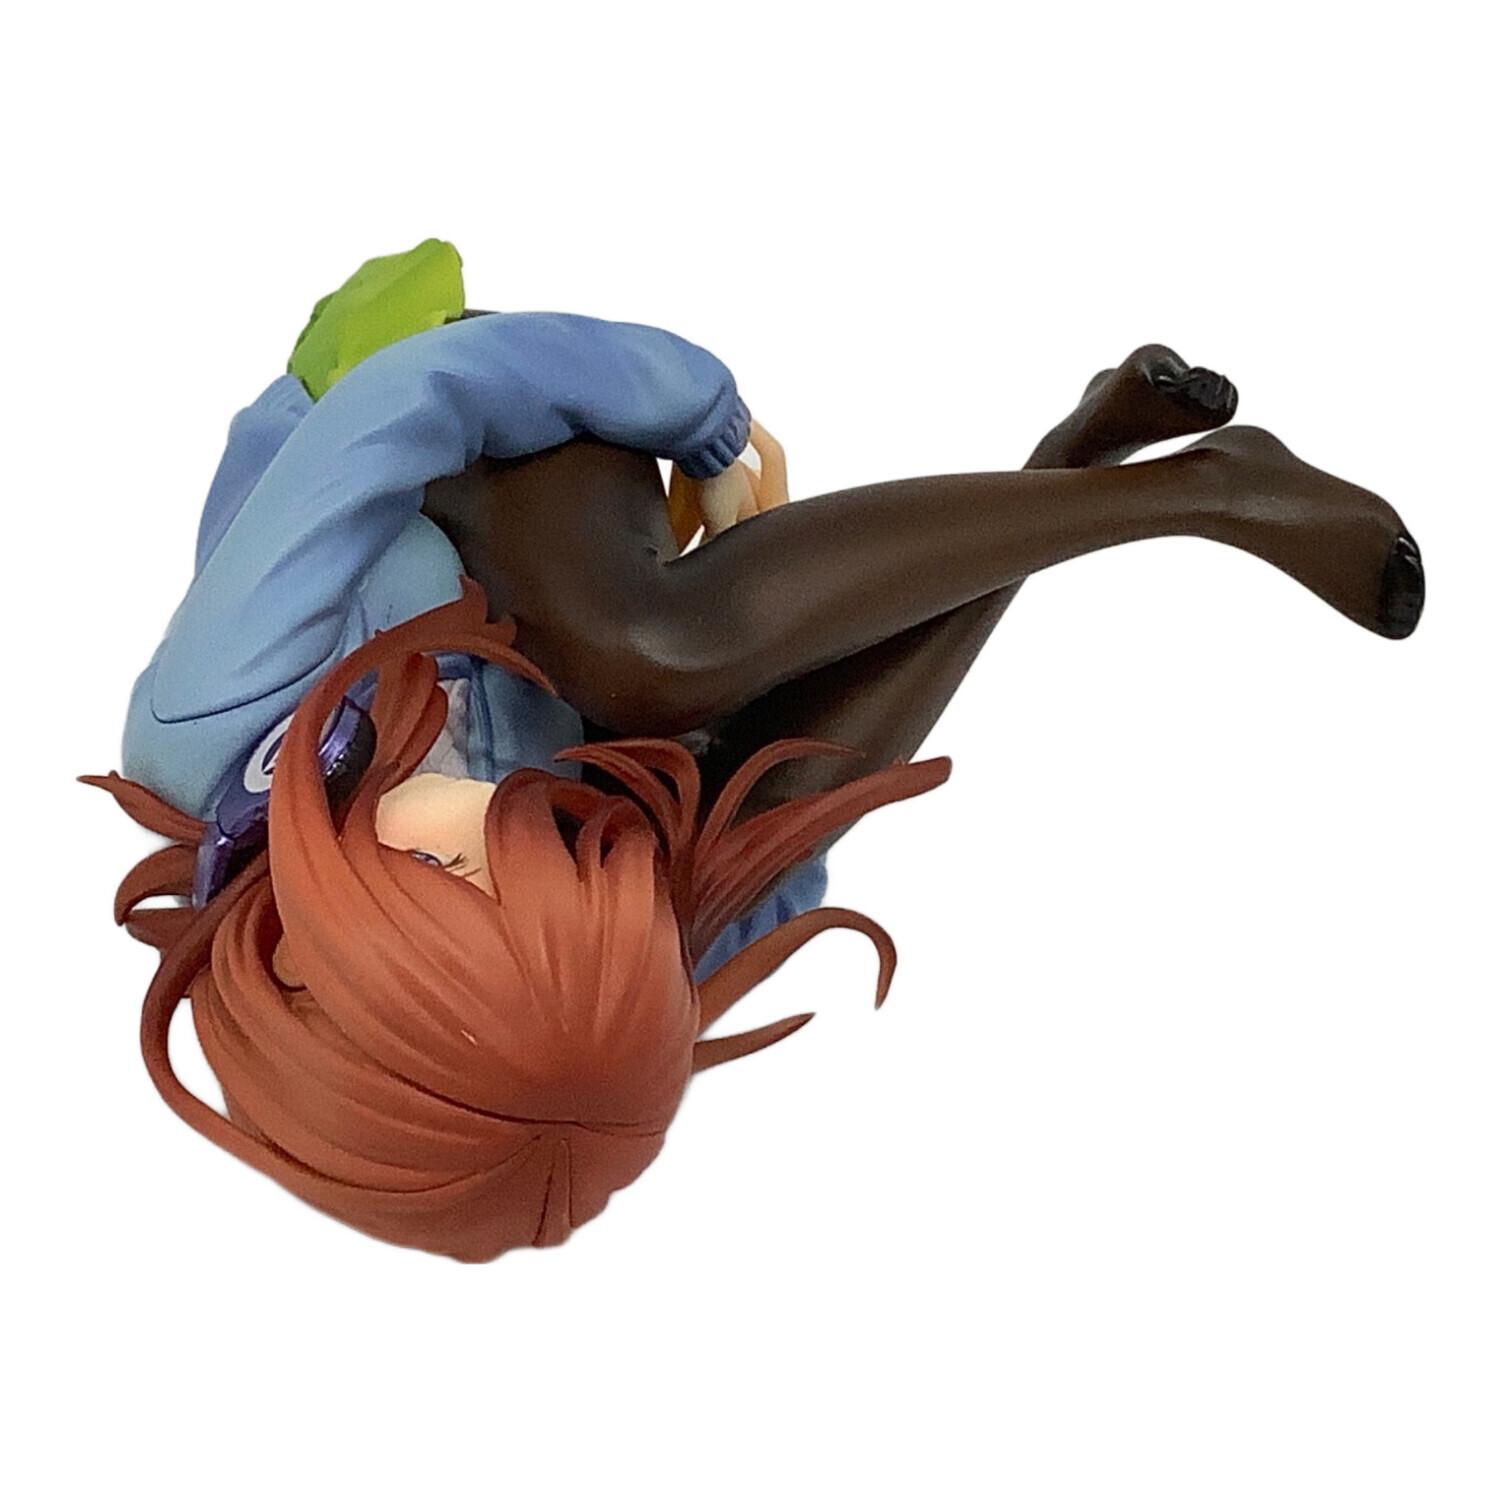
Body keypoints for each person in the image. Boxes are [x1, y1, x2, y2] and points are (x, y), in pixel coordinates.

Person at [90, 241, 1424, 1261]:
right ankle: (1079, 465)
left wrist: (697, 412)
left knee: (643, 657)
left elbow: (404, 401)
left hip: (459, 417)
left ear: (304, 957)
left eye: (449, 873)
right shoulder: (594, 989)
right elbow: (783, 837)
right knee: (753, 826)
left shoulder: (211, 721)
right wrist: (721, 811)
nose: (503, 824)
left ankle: (1198, 494)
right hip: (567, 598)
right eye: (548, 871)